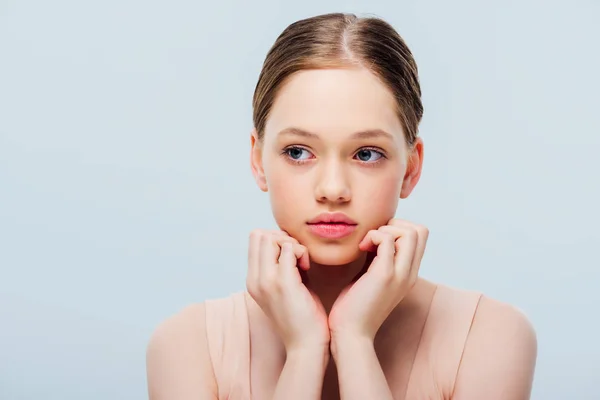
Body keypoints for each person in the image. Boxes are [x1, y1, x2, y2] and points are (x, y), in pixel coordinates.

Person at [146, 12, 537, 400]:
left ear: (410, 168)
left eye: (366, 154)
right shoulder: (186, 347)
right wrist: (304, 351)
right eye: (298, 152)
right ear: (257, 160)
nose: (333, 190)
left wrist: (353, 340)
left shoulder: (490, 337)